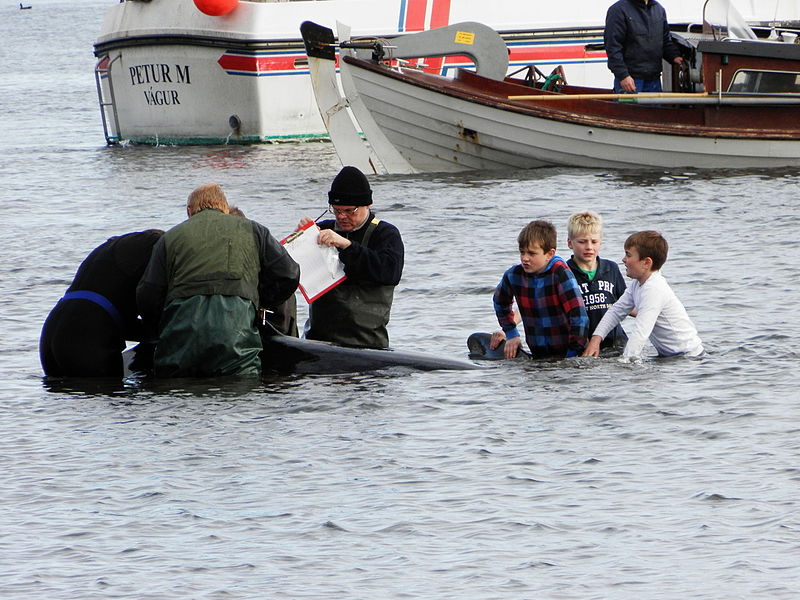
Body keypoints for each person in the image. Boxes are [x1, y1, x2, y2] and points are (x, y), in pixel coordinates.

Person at [137, 183, 300, 377]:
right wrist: (258, 302)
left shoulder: (169, 238)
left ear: (189, 211)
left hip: (180, 347)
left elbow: (148, 295)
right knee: (238, 392)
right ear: (225, 208)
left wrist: (164, 327)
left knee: (179, 391)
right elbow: (289, 274)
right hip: (236, 345)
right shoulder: (254, 230)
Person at [297, 166, 404, 349]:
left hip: (367, 343)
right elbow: (292, 273)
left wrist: (346, 245)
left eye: (349, 211)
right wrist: (300, 242)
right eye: (336, 210)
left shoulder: (385, 233)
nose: (342, 216)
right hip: (319, 340)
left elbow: (389, 273)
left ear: (367, 205)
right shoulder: (322, 230)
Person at [40, 229, 164, 377]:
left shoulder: (109, 250)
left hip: (52, 331)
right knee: (107, 395)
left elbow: (119, 319)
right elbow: (152, 302)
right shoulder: (158, 249)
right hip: (89, 336)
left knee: (67, 395)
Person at [582, 230, 703, 360]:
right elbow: (616, 311)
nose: (623, 260)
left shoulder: (654, 290)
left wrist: (626, 362)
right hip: (670, 356)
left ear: (646, 263)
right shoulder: (637, 284)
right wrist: (596, 339)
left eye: (628, 255)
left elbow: (640, 332)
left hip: (688, 357)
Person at [491, 220, 589, 359]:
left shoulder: (560, 273)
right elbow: (500, 302)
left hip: (570, 350)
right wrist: (511, 333)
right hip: (538, 351)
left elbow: (579, 316)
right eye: (522, 252)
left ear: (549, 254)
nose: (525, 258)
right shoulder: (514, 275)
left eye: (532, 253)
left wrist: (572, 354)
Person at [566, 211, 628, 352]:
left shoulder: (611, 268)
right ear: (570, 243)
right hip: (584, 344)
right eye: (582, 242)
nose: (589, 247)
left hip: (616, 341)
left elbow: (627, 303)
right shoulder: (564, 272)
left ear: (600, 241)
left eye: (594, 241)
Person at [604, 0, 684, 94]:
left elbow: (665, 41)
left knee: (654, 109)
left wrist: (675, 57)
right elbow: (613, 47)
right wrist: (623, 75)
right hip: (630, 81)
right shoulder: (618, 10)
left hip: (654, 81)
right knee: (630, 109)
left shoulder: (659, 9)